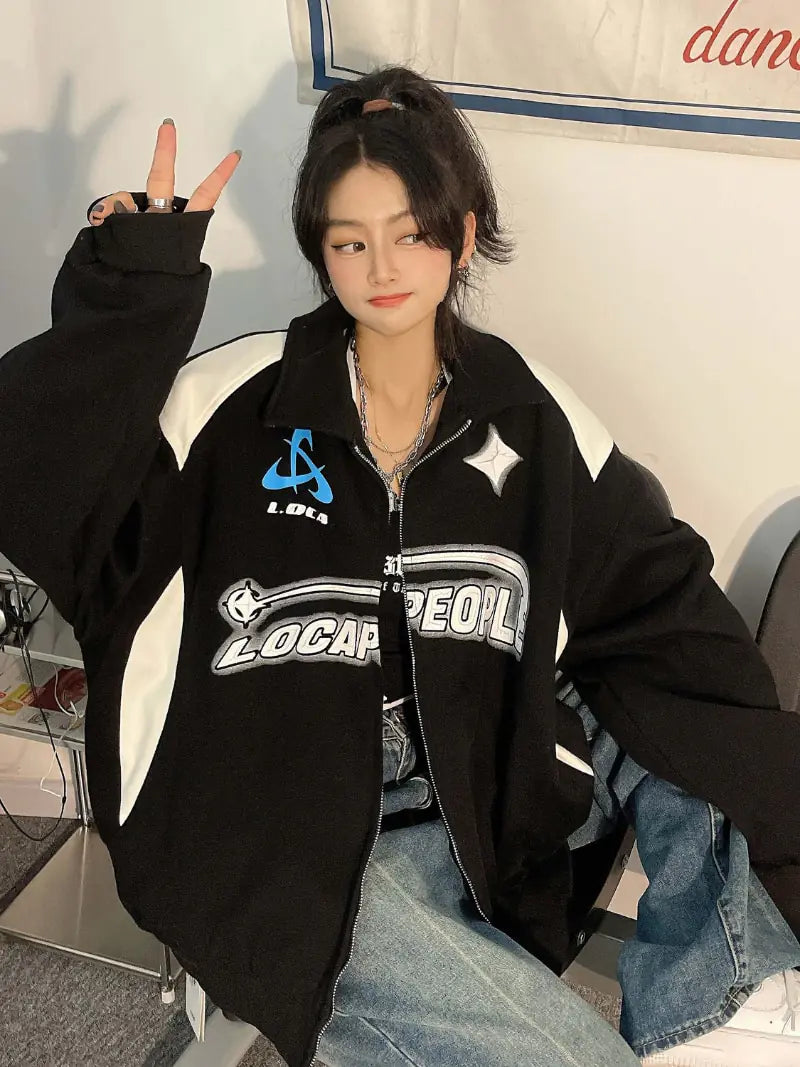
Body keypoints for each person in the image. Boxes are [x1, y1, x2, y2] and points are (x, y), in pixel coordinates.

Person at [0, 62, 799, 1067]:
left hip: (480, 781)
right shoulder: (224, 408)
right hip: (281, 816)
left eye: (411, 232)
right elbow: (42, 491)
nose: (382, 265)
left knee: (685, 707)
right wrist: (130, 294)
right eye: (350, 239)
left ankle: (716, 1009)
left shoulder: (532, 415)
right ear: (321, 251)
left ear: (461, 233)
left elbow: (659, 610)